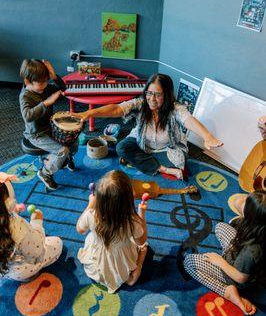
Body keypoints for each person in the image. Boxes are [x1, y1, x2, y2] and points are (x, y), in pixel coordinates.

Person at [73, 73, 223, 179]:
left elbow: (188, 120)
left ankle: (148, 163)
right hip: (141, 142)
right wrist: (90, 112)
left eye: (158, 95)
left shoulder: (176, 109)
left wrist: (207, 136)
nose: (152, 99)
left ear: (167, 95)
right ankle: (162, 169)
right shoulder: (140, 103)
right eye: (149, 93)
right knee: (121, 148)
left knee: (179, 162)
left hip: (167, 147)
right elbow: (116, 109)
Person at [183, 191, 266, 316]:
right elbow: (238, 202)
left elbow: (240, 278)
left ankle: (228, 292)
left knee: (189, 262)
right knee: (220, 227)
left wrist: (219, 261)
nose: (243, 201)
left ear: (252, 218)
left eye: (247, 204)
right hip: (238, 255)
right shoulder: (258, 230)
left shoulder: (252, 250)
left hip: (234, 277)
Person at [76, 170, 148, 293]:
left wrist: (90, 204)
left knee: (90, 237)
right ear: (127, 201)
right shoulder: (133, 222)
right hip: (122, 262)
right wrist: (141, 214)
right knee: (144, 248)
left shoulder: (91, 214)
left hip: (97, 258)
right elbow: (142, 240)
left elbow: (80, 230)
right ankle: (137, 268)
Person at [19, 59, 78, 190]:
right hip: (36, 135)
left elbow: (63, 88)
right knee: (62, 151)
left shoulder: (44, 87)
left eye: (47, 81)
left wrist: (53, 74)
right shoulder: (25, 96)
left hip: (50, 127)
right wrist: (46, 103)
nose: (45, 85)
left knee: (72, 137)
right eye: (41, 82)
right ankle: (45, 173)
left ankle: (67, 159)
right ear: (27, 81)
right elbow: (27, 116)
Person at [0, 172, 62, 281]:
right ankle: (31, 274)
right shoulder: (18, 227)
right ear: (9, 203)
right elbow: (37, 249)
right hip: (22, 269)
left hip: (4, 270)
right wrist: (37, 222)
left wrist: (12, 210)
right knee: (57, 242)